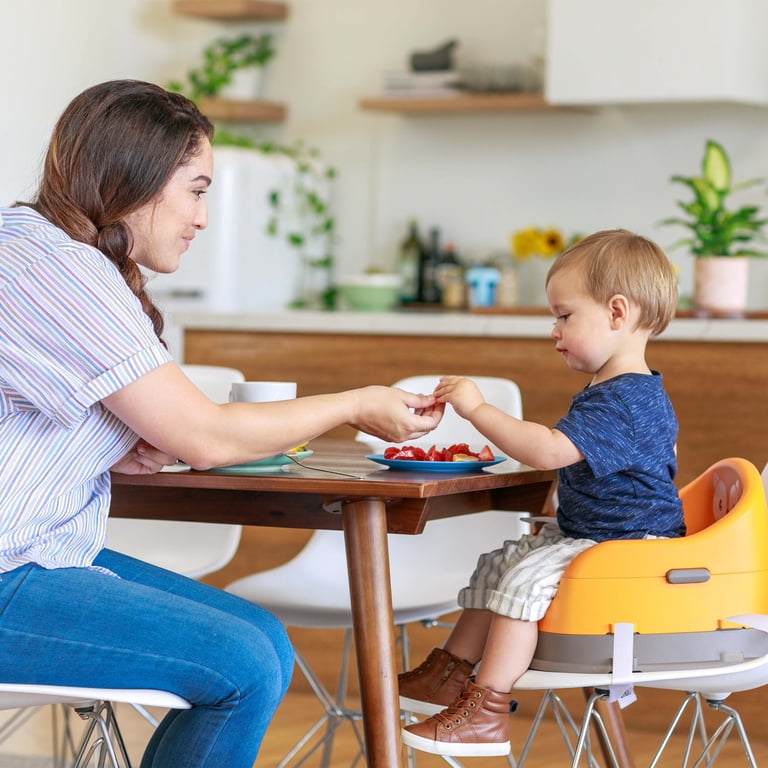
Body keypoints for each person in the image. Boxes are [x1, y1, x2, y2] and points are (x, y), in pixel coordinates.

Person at [0, 79, 442, 768]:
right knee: (243, 664)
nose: (202, 218)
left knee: (263, 641)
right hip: (11, 568)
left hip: (38, 552)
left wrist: (105, 450)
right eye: (198, 189)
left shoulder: (37, 249)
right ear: (136, 177)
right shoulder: (58, 269)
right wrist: (355, 403)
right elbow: (205, 437)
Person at [398, 228, 685, 758]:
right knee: (499, 563)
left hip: (628, 549)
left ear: (618, 313)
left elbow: (550, 450)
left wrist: (479, 411)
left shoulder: (627, 398)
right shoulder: (615, 389)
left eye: (564, 315)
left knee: (520, 583)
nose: (553, 330)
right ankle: (449, 675)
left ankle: (487, 710)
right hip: (596, 536)